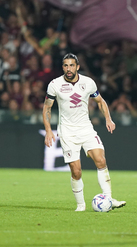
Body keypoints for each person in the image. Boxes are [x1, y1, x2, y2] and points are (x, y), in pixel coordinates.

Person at [42, 53, 126, 211]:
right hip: (67, 132)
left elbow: (100, 101)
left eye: (71, 65)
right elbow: (47, 108)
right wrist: (48, 130)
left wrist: (108, 119)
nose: (69, 69)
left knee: (101, 160)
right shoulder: (55, 84)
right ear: (62, 67)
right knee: (76, 171)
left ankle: (108, 198)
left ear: (77, 67)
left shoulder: (88, 83)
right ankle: (81, 205)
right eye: (66, 65)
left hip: (86, 128)